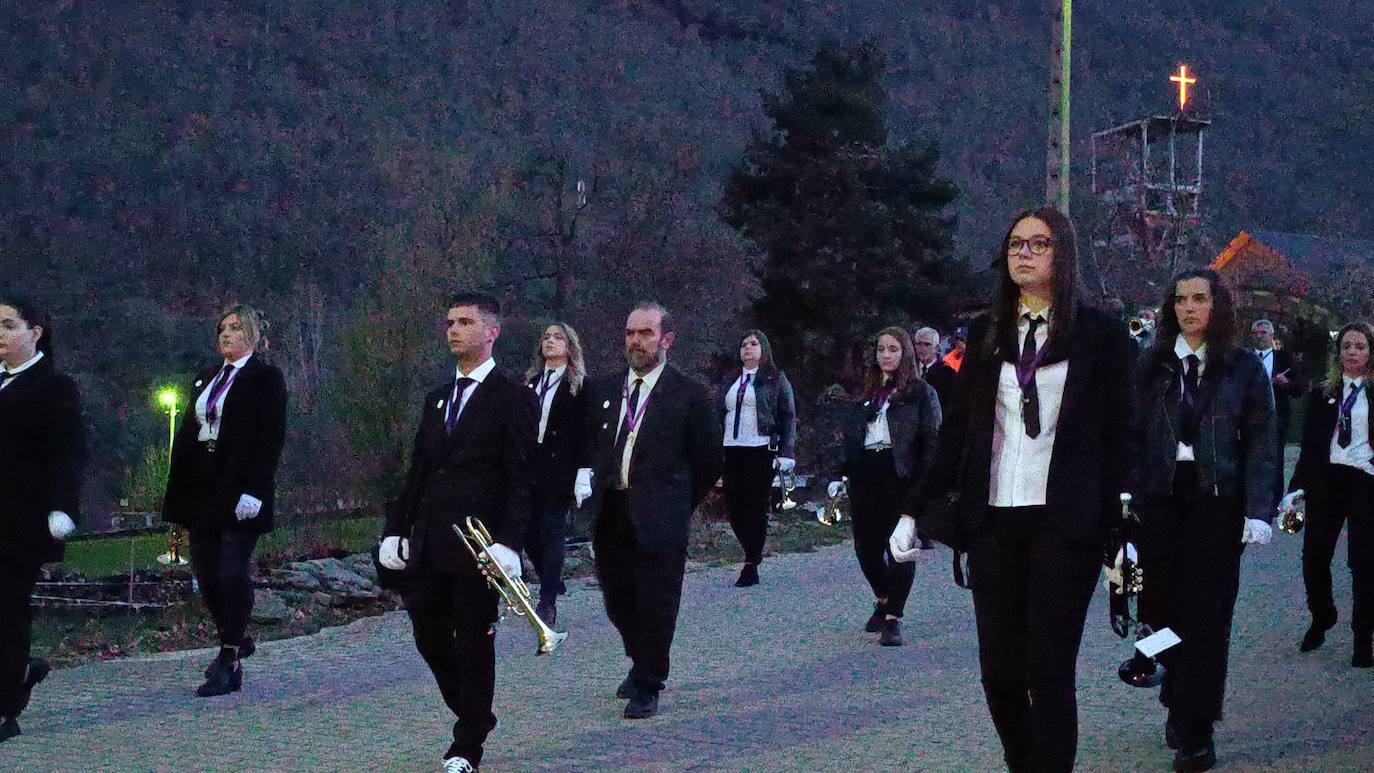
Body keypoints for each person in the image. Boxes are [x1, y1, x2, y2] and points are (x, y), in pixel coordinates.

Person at [894, 206, 1135, 772]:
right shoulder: (984, 334)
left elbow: (1124, 435)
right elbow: (956, 433)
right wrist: (913, 510)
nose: (1023, 253)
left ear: (1063, 256)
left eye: (1039, 244)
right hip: (994, 520)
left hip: (1066, 522)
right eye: (1016, 244)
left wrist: (1128, 523)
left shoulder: (1101, 335)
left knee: (1048, 668)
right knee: (999, 671)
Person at [378, 292, 537, 773]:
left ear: (492, 332)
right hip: (429, 543)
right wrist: (395, 529)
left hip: (480, 547)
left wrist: (510, 543)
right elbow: (419, 472)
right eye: (450, 322)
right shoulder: (437, 398)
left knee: (473, 642)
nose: (453, 330)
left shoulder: (514, 398)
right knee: (428, 636)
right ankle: (476, 714)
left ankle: (467, 745)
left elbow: (521, 477)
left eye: (465, 322)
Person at [1133, 269, 1279, 772]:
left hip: (1217, 504)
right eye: (1180, 299)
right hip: (1159, 500)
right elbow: (1128, 436)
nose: (1189, 308)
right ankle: (1173, 682)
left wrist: (1260, 511)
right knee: (1159, 608)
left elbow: (1262, 442)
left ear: (1218, 306)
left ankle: (1197, 728)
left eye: (1200, 299)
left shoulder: (1241, 368)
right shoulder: (1151, 366)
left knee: (1209, 618)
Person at [573, 301, 719, 719]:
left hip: (661, 515)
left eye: (646, 334)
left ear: (667, 339)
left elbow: (708, 460)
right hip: (612, 511)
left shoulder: (690, 393)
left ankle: (650, 680)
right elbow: (590, 444)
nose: (636, 342)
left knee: (656, 602)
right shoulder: (604, 388)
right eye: (631, 333)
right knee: (618, 601)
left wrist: (678, 501)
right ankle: (640, 661)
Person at [162, 304, 287, 698]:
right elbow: (188, 433)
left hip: (240, 489)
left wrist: (255, 488)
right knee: (205, 572)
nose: (226, 335)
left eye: (235, 328)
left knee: (232, 571)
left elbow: (270, 437)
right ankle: (236, 635)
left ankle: (228, 657)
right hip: (202, 488)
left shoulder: (265, 379)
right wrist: (176, 494)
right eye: (222, 329)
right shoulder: (206, 378)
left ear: (251, 334)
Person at [0, 298, 85, 743]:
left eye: (8, 325)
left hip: (20, 519)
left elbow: (68, 451)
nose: (0, 333)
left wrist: (62, 506)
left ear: (35, 332)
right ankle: (20, 673)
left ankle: (6, 705)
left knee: (6, 608)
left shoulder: (54, 387)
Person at [839, 326, 939, 646]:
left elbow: (931, 440)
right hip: (867, 472)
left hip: (901, 473)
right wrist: (841, 471)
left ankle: (894, 618)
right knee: (866, 548)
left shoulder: (920, 392)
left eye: (893, 349)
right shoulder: (865, 393)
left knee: (900, 549)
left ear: (905, 353)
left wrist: (925, 483)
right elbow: (851, 436)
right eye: (881, 349)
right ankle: (883, 598)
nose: (886, 355)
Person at [1285, 322, 1374, 665]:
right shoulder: (1323, 394)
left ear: (1370, 352)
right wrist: (1295, 490)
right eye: (1348, 346)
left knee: (1364, 564)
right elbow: (1309, 446)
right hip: (1328, 480)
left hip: (1365, 482)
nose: (1353, 352)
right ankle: (1322, 614)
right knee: (1315, 556)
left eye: (1361, 346)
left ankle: (1363, 637)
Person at [719, 329, 797, 587]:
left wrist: (787, 452)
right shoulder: (731, 379)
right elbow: (717, 411)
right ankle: (750, 549)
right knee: (733, 504)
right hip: (731, 447)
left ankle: (751, 561)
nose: (748, 348)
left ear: (764, 349)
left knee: (754, 505)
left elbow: (788, 416)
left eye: (753, 344)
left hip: (760, 448)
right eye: (744, 344)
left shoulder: (775, 379)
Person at [523, 322, 588, 626]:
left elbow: (586, 434)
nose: (550, 342)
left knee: (552, 533)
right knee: (525, 531)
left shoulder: (579, 385)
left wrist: (583, 472)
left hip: (559, 469)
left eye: (558, 337)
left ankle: (547, 600)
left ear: (569, 346)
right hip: (529, 466)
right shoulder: (531, 381)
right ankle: (553, 576)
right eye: (546, 337)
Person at [913, 326, 955, 407]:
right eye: (918, 344)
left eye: (927, 344)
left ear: (936, 348)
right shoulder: (908, 370)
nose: (922, 348)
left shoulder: (947, 374)